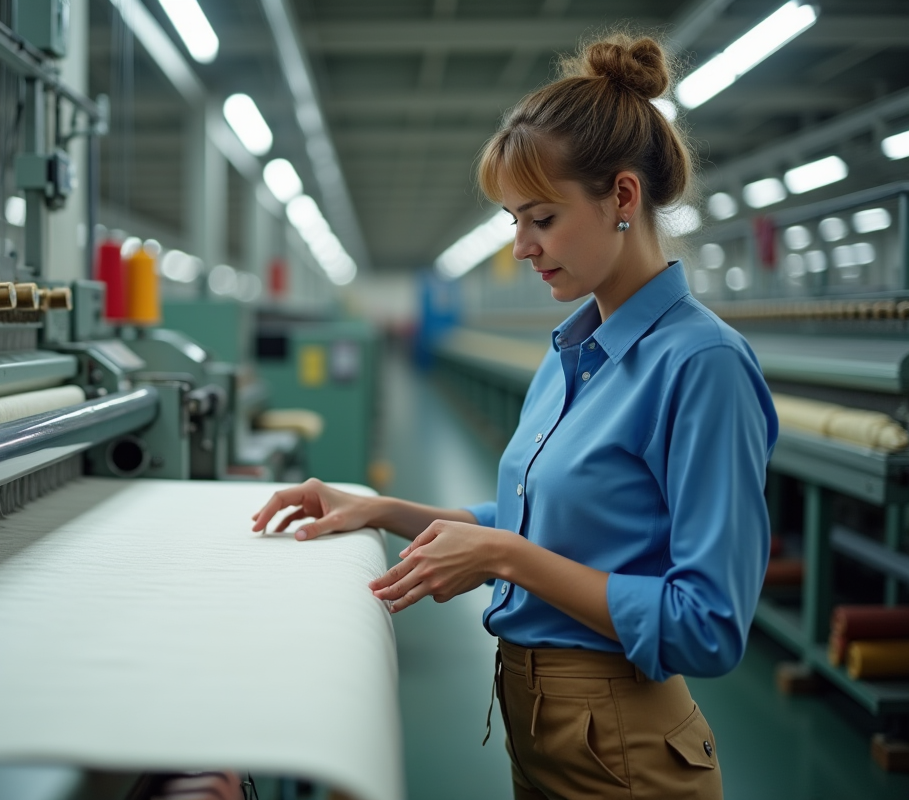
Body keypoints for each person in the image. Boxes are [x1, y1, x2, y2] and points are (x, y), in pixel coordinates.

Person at [251, 32, 778, 800]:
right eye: (512, 221)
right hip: (542, 726)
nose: (523, 248)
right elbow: (541, 518)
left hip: (625, 753)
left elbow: (706, 623)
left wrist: (503, 559)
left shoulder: (702, 365)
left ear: (622, 198)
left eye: (541, 218)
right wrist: (381, 509)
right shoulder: (574, 351)